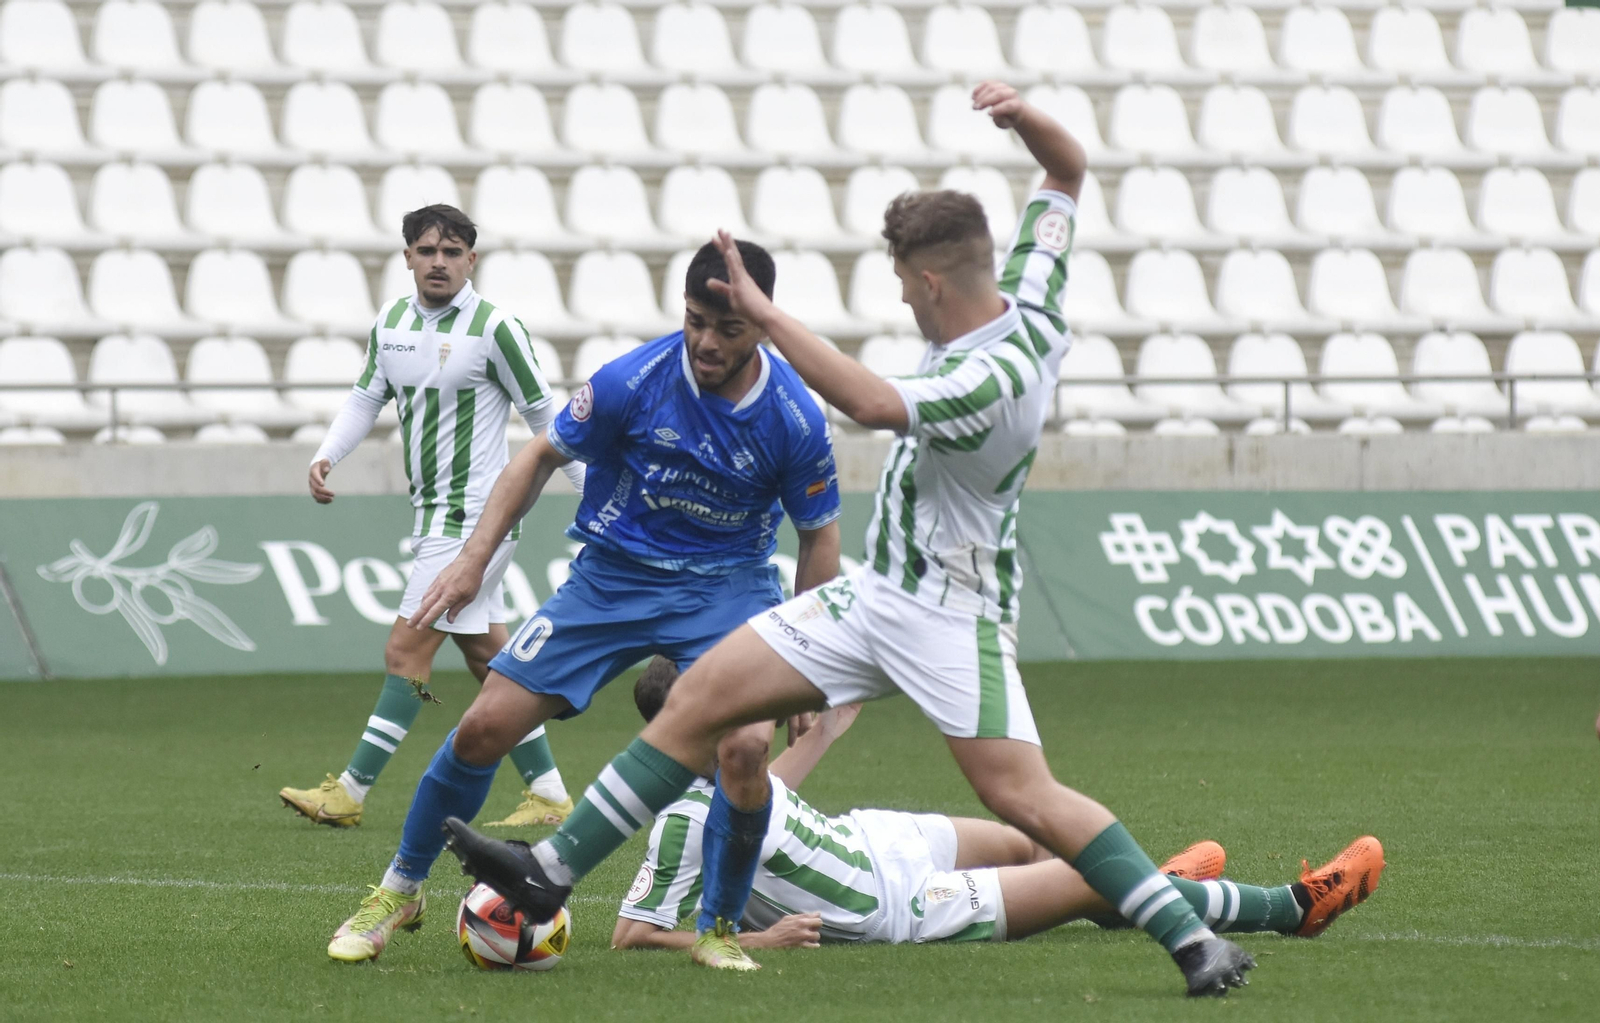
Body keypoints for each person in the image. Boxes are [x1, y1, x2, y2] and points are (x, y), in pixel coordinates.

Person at [440, 81, 1295, 996]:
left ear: (930, 283)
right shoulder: (1031, 297)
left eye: (900, 283)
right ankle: (549, 870)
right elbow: (1067, 170)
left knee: (1021, 794)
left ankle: (1193, 939)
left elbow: (875, 403)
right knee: (699, 699)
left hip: (948, 612)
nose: (902, 296)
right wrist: (1022, 117)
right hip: (876, 593)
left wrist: (766, 316)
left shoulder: (992, 377)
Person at [323, 239, 844, 963]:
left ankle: (719, 930)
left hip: (727, 588)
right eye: (695, 321)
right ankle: (400, 889)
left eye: (729, 329)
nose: (706, 342)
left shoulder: (795, 417)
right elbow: (538, 456)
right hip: (612, 578)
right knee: (482, 728)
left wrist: (806, 656)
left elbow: (819, 536)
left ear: (762, 323)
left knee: (746, 747)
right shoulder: (633, 380)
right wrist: (473, 560)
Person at [611, 659, 1385, 952]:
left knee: (1040, 841)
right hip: (901, 904)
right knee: (1087, 871)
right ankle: (1290, 907)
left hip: (878, 838)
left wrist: (830, 729)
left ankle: (1146, 891)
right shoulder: (680, 821)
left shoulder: (733, 772)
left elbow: (761, 804)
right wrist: (762, 940)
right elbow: (629, 936)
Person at [278, 204, 584, 830]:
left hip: (475, 520)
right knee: (489, 659)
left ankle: (350, 793)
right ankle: (550, 794)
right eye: (426, 251)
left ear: (471, 260)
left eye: (450, 252)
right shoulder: (391, 323)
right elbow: (365, 398)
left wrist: (595, 498)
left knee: (405, 650)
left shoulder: (497, 328)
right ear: (408, 257)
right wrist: (327, 453)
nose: (438, 262)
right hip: (433, 515)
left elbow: (548, 421)